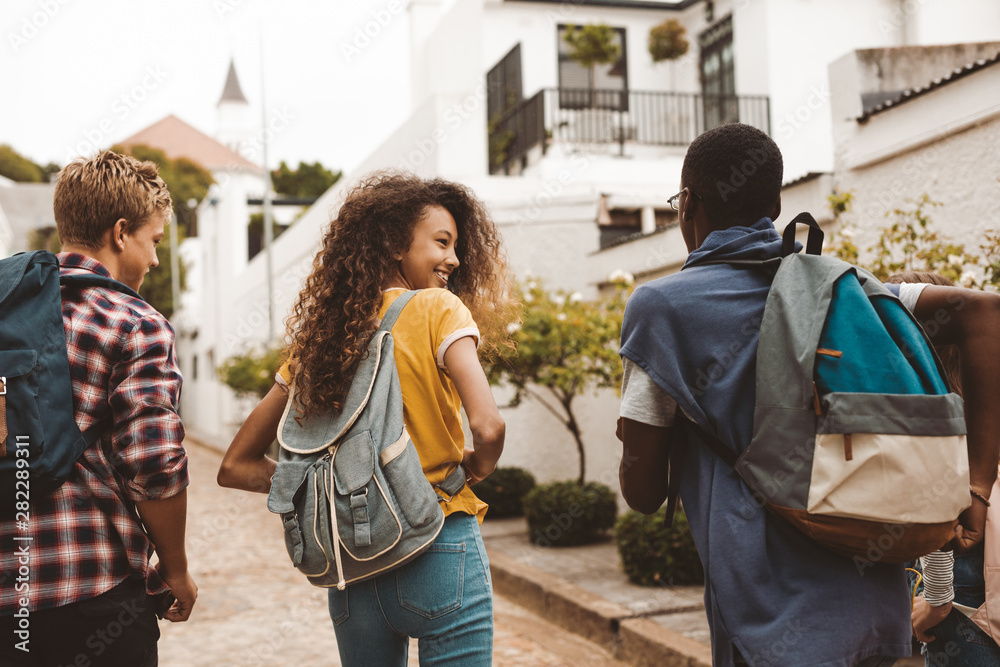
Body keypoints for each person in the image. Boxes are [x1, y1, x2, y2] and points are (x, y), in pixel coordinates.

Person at [616, 123, 1000, 666]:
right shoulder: (848, 288)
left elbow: (643, 490)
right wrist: (978, 487)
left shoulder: (661, 308)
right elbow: (985, 312)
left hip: (767, 622)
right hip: (876, 609)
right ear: (774, 204)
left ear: (689, 206)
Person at [218, 171, 515, 666]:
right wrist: (476, 468)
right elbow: (489, 427)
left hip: (353, 564)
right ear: (396, 244)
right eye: (442, 242)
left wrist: (336, 488)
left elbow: (235, 467)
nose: (455, 259)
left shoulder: (322, 342)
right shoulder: (439, 308)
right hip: (439, 541)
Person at [0, 150, 197, 666]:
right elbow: (154, 466)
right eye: (153, 241)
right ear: (120, 232)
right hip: (92, 594)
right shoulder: (134, 321)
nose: (155, 260)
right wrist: (174, 568)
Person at [888, 271, 1000, 666]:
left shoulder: (928, 403)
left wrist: (936, 598)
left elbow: (938, 505)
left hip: (960, 595)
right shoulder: (986, 405)